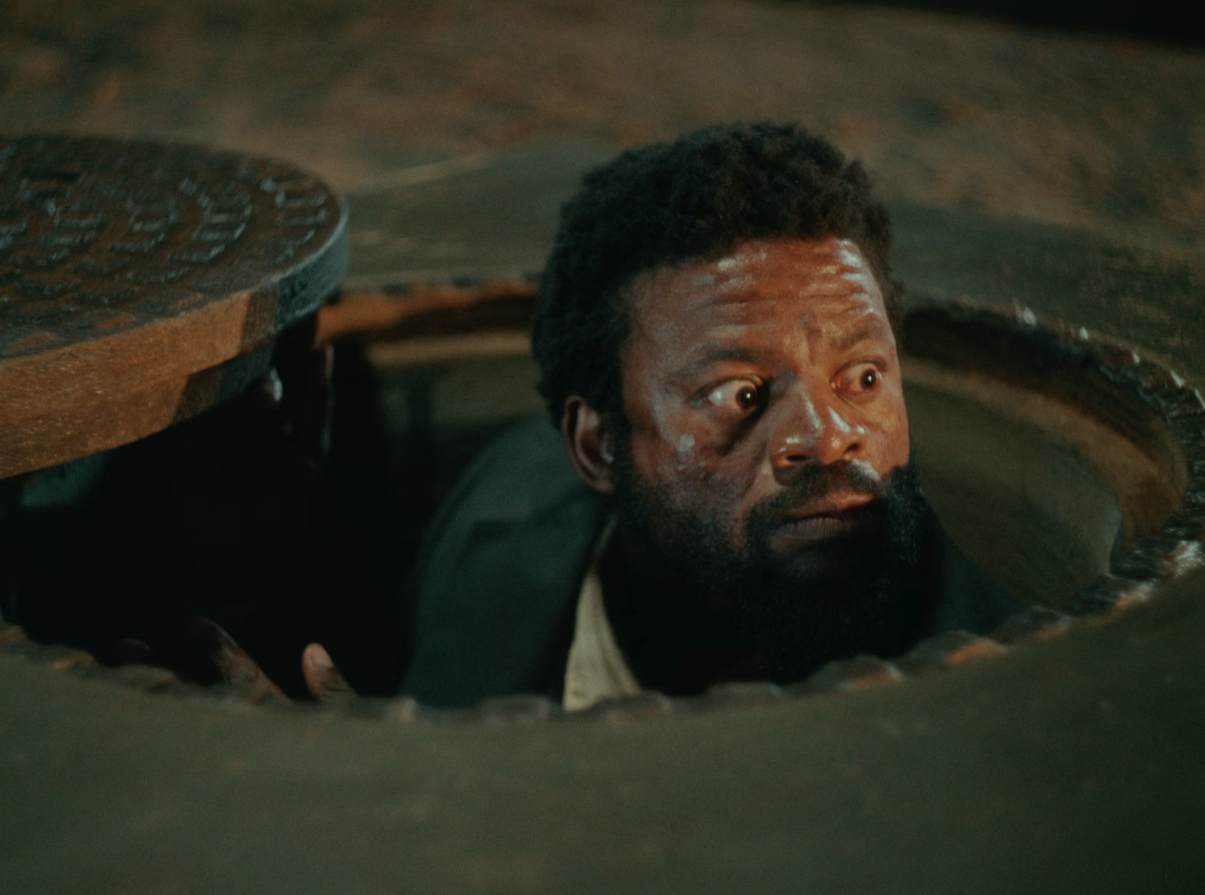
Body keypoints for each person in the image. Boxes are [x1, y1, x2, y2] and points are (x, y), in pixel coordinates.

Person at [389, 121, 1019, 709]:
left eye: (863, 378)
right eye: (740, 396)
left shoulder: (1000, 683)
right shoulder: (498, 531)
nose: (828, 438)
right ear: (597, 446)